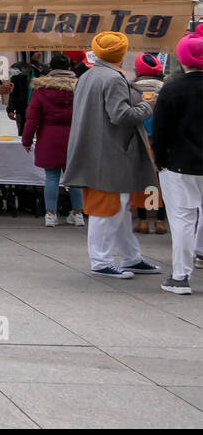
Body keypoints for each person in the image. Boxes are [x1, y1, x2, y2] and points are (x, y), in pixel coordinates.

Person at [61, 32, 159, 279]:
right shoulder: (113, 78)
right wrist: (148, 106)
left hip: (98, 150)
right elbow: (121, 116)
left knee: (118, 208)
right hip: (112, 153)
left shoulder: (87, 76)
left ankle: (130, 257)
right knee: (109, 209)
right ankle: (102, 260)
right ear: (122, 53)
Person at [151, 31, 203, 295]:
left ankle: (181, 276)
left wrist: (159, 160)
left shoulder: (172, 89)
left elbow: (160, 130)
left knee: (182, 219)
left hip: (180, 163)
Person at [20, 54, 85, 227]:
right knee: (75, 177)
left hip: (49, 136)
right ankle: (78, 214)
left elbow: (32, 119)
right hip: (74, 137)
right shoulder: (81, 88)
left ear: (50, 67)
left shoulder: (41, 89)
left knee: (51, 177)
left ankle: (51, 214)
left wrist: (26, 140)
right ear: (69, 68)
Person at [130, 53, 167, 235]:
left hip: (140, 138)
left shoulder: (132, 89)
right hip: (161, 139)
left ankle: (143, 221)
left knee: (144, 180)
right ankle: (160, 221)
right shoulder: (166, 89)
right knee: (161, 182)